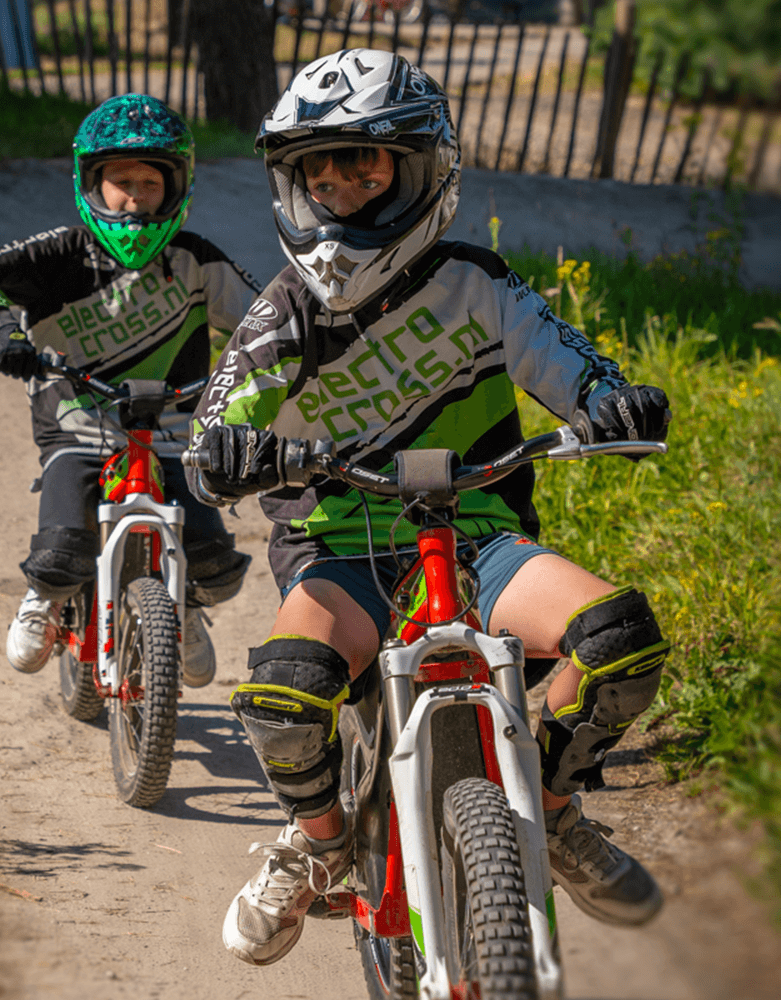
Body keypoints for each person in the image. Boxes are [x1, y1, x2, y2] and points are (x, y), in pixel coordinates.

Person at [184, 49, 672, 967]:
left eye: (365, 169)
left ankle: (557, 815)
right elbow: (221, 417)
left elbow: (572, 366)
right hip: (341, 547)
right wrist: (225, 451)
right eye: (317, 176)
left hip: (481, 536)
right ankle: (320, 842)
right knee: (284, 693)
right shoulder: (281, 313)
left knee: (620, 640)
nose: (341, 195)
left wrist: (612, 401)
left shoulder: (479, 281)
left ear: (424, 171)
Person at [0, 93, 260, 686]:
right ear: (91, 184)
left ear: (177, 189)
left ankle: (184, 605)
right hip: (78, 421)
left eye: (151, 182)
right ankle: (43, 597)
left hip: (174, 427)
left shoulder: (198, 261)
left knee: (214, 560)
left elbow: (262, 323)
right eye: (120, 181)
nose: (136, 197)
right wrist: (4, 332)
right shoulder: (60, 256)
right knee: (63, 548)